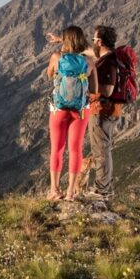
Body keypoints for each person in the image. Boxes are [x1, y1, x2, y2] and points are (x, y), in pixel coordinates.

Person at [45, 26, 98, 201]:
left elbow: (50, 75)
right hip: (80, 111)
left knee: (57, 149)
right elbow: (94, 89)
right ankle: (71, 192)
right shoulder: (89, 61)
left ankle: (54, 190)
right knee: (75, 150)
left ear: (65, 40)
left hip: (58, 110)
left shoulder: (56, 57)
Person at [86, 25, 122, 201]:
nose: (92, 43)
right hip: (103, 110)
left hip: (102, 111)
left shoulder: (108, 63)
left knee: (101, 150)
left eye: (93, 40)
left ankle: (103, 190)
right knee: (101, 149)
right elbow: (89, 52)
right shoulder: (107, 58)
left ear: (99, 41)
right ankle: (104, 187)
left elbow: (107, 90)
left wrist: (88, 86)